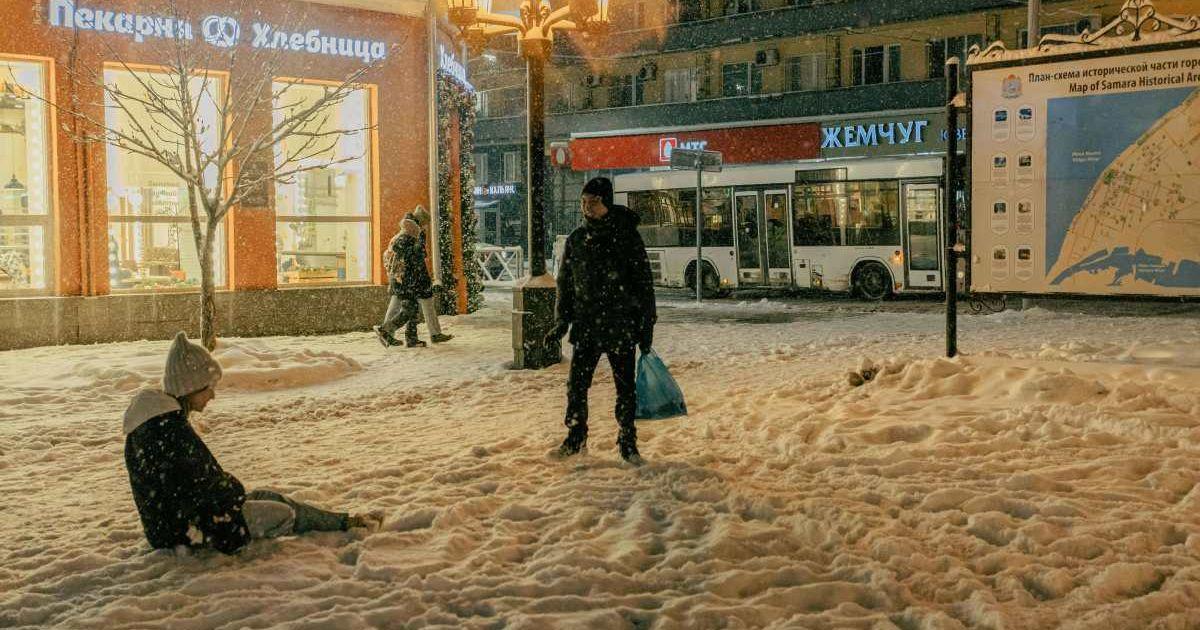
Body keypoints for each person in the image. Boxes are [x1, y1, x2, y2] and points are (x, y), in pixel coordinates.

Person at [123, 332, 380, 555]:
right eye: (208, 388)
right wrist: (233, 491)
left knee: (268, 497)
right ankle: (347, 524)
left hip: (186, 520)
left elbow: (196, 483)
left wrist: (230, 492)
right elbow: (201, 486)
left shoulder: (159, 421)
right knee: (281, 513)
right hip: (190, 528)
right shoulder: (168, 430)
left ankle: (346, 522)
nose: (212, 395)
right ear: (190, 387)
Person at [546, 176, 656, 466]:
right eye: (584, 203)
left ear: (606, 203)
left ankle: (627, 441)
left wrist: (646, 325)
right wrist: (562, 321)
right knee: (577, 385)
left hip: (620, 324)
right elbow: (565, 284)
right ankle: (575, 436)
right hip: (587, 326)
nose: (587, 208)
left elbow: (644, 284)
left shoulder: (627, 236)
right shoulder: (577, 239)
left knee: (625, 388)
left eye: (593, 203)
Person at [374, 214, 446, 348]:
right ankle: (386, 330)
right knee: (409, 310)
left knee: (410, 309)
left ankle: (407, 337)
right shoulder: (405, 241)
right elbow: (415, 259)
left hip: (404, 281)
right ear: (414, 229)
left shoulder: (400, 239)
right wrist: (420, 246)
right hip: (406, 282)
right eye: (422, 226)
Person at [408, 206, 453, 345]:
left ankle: (432, 333)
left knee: (411, 307)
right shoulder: (414, 231)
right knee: (415, 307)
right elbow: (418, 253)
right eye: (424, 223)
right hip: (417, 275)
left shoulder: (410, 229)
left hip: (415, 275)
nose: (425, 226)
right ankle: (387, 330)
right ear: (420, 221)